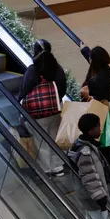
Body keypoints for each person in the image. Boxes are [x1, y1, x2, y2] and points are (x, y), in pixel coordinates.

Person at [68, 113, 110, 219]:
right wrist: (100, 197)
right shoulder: (85, 151)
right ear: (90, 131)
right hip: (93, 198)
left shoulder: (87, 145)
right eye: (98, 127)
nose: (100, 130)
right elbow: (89, 176)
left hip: (91, 197)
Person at [19, 39, 69, 175]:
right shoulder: (57, 68)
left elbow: (24, 89)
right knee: (54, 137)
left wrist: (20, 102)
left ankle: (47, 169)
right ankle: (58, 167)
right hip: (55, 110)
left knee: (41, 140)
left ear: (35, 52)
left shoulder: (33, 69)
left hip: (37, 113)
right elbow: (63, 88)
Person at [81, 45, 110, 163]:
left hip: (101, 111)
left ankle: (108, 170)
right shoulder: (105, 68)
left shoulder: (99, 78)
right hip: (104, 110)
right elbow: (91, 58)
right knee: (105, 143)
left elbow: (98, 97)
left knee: (104, 145)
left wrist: (88, 96)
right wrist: (84, 49)